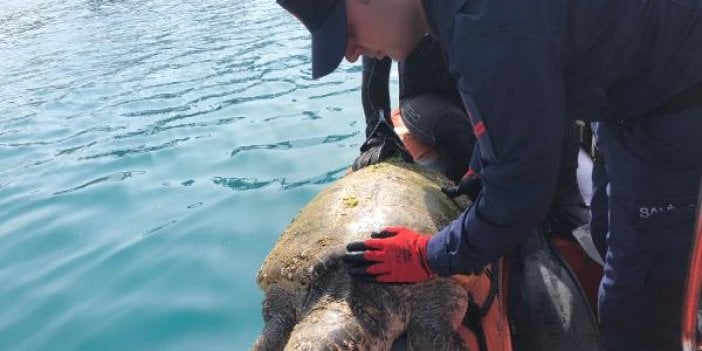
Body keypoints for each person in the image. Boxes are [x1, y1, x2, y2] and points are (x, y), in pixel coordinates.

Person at [276, 0, 702, 350]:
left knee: (638, 305)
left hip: (676, 99)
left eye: (345, 30)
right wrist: (486, 161)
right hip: (630, 92)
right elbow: (528, 78)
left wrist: (428, 255)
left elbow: (522, 193)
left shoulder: (481, 26)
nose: (351, 51)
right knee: (611, 231)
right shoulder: (461, 14)